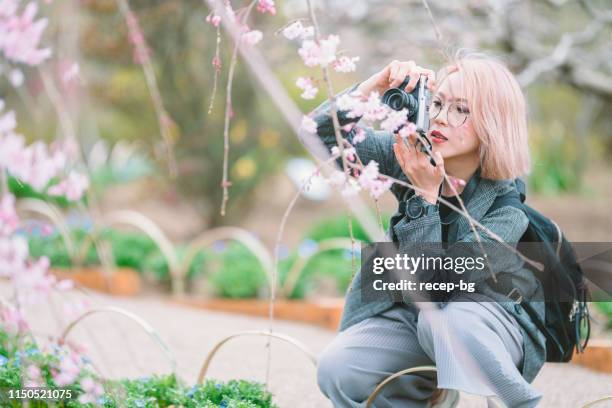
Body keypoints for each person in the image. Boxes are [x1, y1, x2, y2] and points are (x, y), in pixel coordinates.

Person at [307, 51, 546, 407]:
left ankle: (521, 402)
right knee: (339, 368)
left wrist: (425, 196)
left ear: (492, 123)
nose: (441, 118)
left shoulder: (505, 211)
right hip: (423, 317)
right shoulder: (410, 156)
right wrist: (373, 87)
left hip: (490, 326)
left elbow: (439, 291)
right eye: (437, 103)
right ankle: (431, 395)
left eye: (460, 110)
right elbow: (318, 136)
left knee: (445, 323)